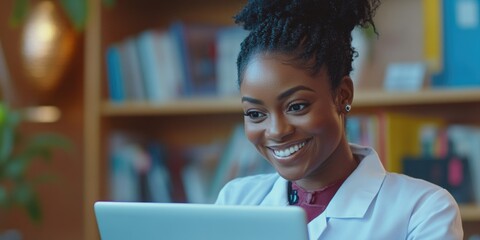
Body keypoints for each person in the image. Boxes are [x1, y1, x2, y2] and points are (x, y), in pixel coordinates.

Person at [215, 0, 464, 239]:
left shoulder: (423, 210)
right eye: (256, 114)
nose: (277, 131)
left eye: (297, 106)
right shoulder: (236, 201)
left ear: (342, 95)